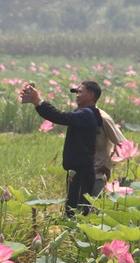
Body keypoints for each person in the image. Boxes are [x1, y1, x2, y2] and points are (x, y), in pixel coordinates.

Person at [20, 80, 101, 215]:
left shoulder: (87, 114)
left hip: (82, 173)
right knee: (71, 211)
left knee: (78, 212)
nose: (77, 95)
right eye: (76, 92)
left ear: (91, 95)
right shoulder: (83, 113)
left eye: (80, 92)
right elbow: (58, 116)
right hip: (75, 173)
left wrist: (39, 101)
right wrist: (36, 102)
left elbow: (58, 116)